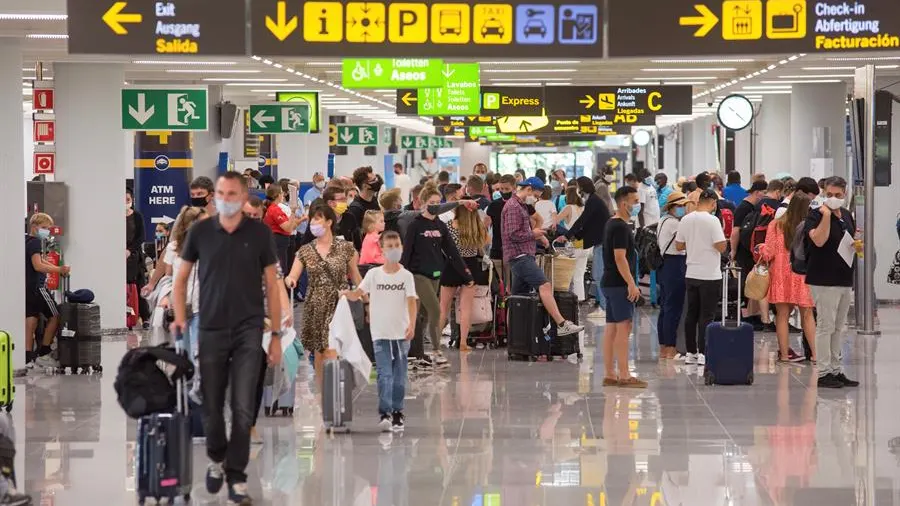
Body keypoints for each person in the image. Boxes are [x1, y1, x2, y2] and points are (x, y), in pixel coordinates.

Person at [171, 172, 282, 505]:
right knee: (212, 404)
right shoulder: (201, 232)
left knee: (244, 406)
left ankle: (237, 477)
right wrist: (179, 316)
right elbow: (181, 280)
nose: (225, 198)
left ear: (243, 196)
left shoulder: (260, 234)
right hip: (211, 328)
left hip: (249, 328)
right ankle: (217, 458)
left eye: (231, 193)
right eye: (220, 193)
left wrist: (275, 335)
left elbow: (272, 287)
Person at [342, 231, 417, 432]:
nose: (394, 249)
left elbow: (411, 301)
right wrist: (345, 294)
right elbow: (359, 292)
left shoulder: (406, 276)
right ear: (382, 249)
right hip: (380, 332)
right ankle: (385, 412)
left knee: (400, 376)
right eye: (389, 246)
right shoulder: (374, 275)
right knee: (384, 374)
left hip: (401, 333)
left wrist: (412, 325)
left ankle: (398, 411)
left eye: (397, 245)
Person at [286, 203, 363, 383]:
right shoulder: (305, 251)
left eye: (317, 218)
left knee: (332, 349)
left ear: (329, 222)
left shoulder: (346, 248)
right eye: (312, 218)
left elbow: (356, 276)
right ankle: (323, 392)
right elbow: (292, 274)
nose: (313, 222)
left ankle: (334, 388)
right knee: (320, 352)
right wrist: (290, 280)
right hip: (315, 305)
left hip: (339, 304)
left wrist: (367, 301)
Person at [502, 177, 584, 337]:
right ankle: (561, 324)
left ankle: (513, 336)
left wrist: (539, 237)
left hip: (523, 254)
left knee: (518, 298)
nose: (537, 198)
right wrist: (533, 234)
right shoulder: (513, 207)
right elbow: (511, 234)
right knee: (544, 285)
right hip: (520, 255)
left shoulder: (521, 206)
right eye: (537, 194)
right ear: (529, 189)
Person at [401, 186, 471, 367]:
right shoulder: (415, 225)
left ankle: (416, 354)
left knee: (422, 316)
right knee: (436, 310)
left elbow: (452, 252)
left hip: (436, 275)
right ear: (423, 203)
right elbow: (407, 253)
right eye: (430, 203)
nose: (433, 206)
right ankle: (436, 352)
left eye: (436, 203)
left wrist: (465, 273)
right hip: (418, 275)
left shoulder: (440, 225)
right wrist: (403, 276)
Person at [804, 177, 859, 389]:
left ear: (845, 194)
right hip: (823, 278)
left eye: (838, 195)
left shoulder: (846, 215)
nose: (833, 198)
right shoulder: (816, 214)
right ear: (823, 193)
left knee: (839, 326)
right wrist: (826, 216)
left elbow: (846, 240)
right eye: (829, 194)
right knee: (826, 326)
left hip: (843, 277)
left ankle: (836, 369)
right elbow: (819, 240)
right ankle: (824, 371)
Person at [758, 194, 817, 364]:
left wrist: (761, 248)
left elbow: (768, 253)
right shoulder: (808, 225)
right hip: (802, 274)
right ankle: (815, 355)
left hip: (780, 275)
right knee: (807, 315)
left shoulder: (775, 225)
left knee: (782, 315)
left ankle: (784, 355)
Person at [599, 186, 646, 388]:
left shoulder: (611, 223)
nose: (638, 205)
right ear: (623, 203)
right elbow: (620, 258)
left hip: (609, 282)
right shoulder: (620, 227)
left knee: (611, 328)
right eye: (635, 201)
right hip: (619, 284)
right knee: (623, 328)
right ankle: (625, 375)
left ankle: (610, 373)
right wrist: (631, 284)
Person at [675, 189, 728, 366]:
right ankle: (704, 352)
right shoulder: (713, 220)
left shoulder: (686, 219)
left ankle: (690, 353)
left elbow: (679, 245)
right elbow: (721, 247)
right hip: (710, 274)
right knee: (707, 315)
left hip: (691, 273)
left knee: (692, 313)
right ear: (713, 202)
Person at [438, 203, 490, 353]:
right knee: (466, 308)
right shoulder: (476, 226)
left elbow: (442, 245)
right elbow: (487, 242)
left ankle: (436, 340)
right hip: (470, 267)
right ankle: (463, 342)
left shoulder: (449, 225)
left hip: (451, 265)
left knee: (443, 307)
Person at [559, 177, 611, 311]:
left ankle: (605, 309)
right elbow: (587, 224)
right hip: (599, 240)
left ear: (582, 187)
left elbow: (582, 221)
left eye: (578, 186)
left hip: (602, 241)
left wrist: (567, 235)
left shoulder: (593, 201)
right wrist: (575, 236)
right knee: (596, 275)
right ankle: (605, 308)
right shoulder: (592, 200)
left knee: (599, 275)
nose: (577, 190)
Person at [25, 213, 68, 369]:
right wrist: (59, 269)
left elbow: (41, 261)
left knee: (31, 320)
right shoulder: (35, 242)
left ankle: (28, 357)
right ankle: (44, 352)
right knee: (55, 315)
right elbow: (38, 265)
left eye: (48, 229)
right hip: (38, 287)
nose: (47, 231)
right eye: (44, 228)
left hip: (27, 288)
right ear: (34, 227)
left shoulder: (26, 241)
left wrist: (57, 269)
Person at [731, 180, 771, 330]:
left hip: (750, 251)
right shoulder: (743, 207)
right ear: (757, 192)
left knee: (753, 283)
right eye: (763, 192)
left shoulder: (752, 206)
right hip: (744, 251)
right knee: (751, 283)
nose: (765, 196)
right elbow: (735, 231)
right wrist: (733, 251)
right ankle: (751, 315)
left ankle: (753, 315)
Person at [655, 192, 689, 360]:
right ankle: (670, 347)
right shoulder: (675, 224)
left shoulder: (663, 221)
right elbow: (683, 244)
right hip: (676, 264)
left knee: (665, 307)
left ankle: (663, 346)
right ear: (672, 207)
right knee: (673, 308)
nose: (683, 208)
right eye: (681, 206)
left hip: (665, 264)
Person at [555, 184, 590, 302]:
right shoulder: (584, 208)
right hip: (585, 244)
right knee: (579, 274)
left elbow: (555, 221)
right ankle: (579, 300)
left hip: (573, 245)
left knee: (568, 274)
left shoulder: (568, 208)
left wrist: (552, 212)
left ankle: (570, 302)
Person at [300, 185, 362, 250]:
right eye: (341, 199)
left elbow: (358, 244)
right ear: (330, 203)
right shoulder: (320, 220)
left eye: (345, 198)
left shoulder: (350, 217)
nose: (345, 201)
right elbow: (305, 245)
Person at [263, 185, 306, 276]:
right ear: (278, 195)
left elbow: (291, 225)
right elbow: (288, 227)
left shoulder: (276, 208)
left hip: (281, 241)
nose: (283, 194)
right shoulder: (275, 210)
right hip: (277, 241)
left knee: (283, 268)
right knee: (280, 270)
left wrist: (300, 219)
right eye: (282, 192)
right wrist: (293, 212)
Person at [125, 186, 151, 328]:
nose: (125, 202)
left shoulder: (137, 216)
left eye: (128, 200)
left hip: (134, 256)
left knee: (139, 286)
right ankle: (127, 316)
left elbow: (141, 237)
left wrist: (130, 250)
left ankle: (145, 316)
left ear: (132, 200)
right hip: (119, 256)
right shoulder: (115, 217)